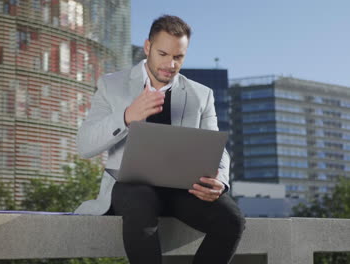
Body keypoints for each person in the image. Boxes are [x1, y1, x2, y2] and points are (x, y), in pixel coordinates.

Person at [74, 15, 245, 264]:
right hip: (130, 189)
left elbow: (218, 148)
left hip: (182, 190)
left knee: (232, 220)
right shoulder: (112, 85)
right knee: (141, 202)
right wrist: (127, 117)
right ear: (147, 48)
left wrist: (220, 178)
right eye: (163, 54)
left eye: (178, 57)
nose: (170, 64)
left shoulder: (201, 95)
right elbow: (84, 145)